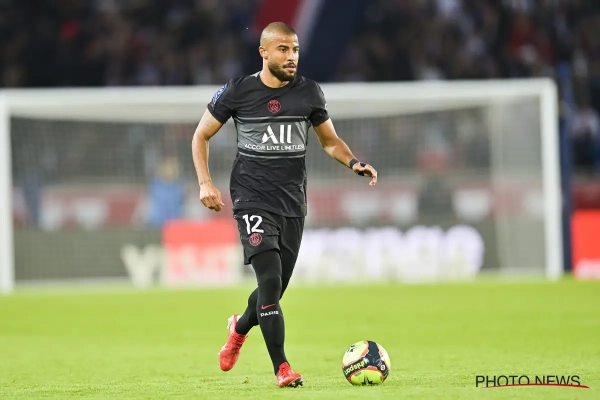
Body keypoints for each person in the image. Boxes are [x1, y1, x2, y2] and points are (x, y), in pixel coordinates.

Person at [191, 22, 378, 388]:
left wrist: (354, 162)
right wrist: (205, 182)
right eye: (283, 49)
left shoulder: (309, 92)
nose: (291, 56)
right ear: (264, 52)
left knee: (272, 292)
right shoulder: (238, 90)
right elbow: (201, 135)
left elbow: (330, 141)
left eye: (295, 50)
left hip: (292, 203)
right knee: (270, 280)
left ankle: (239, 327)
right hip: (251, 198)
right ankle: (282, 367)